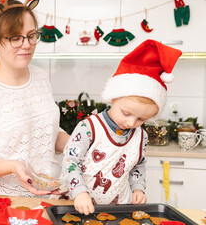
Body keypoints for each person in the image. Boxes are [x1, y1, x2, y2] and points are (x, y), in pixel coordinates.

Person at [0, 0, 69, 197]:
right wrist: (12, 166)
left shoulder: (40, 77)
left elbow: (46, 131)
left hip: (43, 196)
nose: (27, 45)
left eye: (31, 35)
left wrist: (76, 143)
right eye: (15, 38)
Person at [62, 39, 182, 215]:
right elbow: (70, 161)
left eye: (141, 118)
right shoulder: (89, 127)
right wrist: (79, 192)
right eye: (126, 113)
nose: (131, 123)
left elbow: (137, 165)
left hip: (118, 210)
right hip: (76, 206)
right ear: (114, 98)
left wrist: (138, 188)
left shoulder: (141, 136)